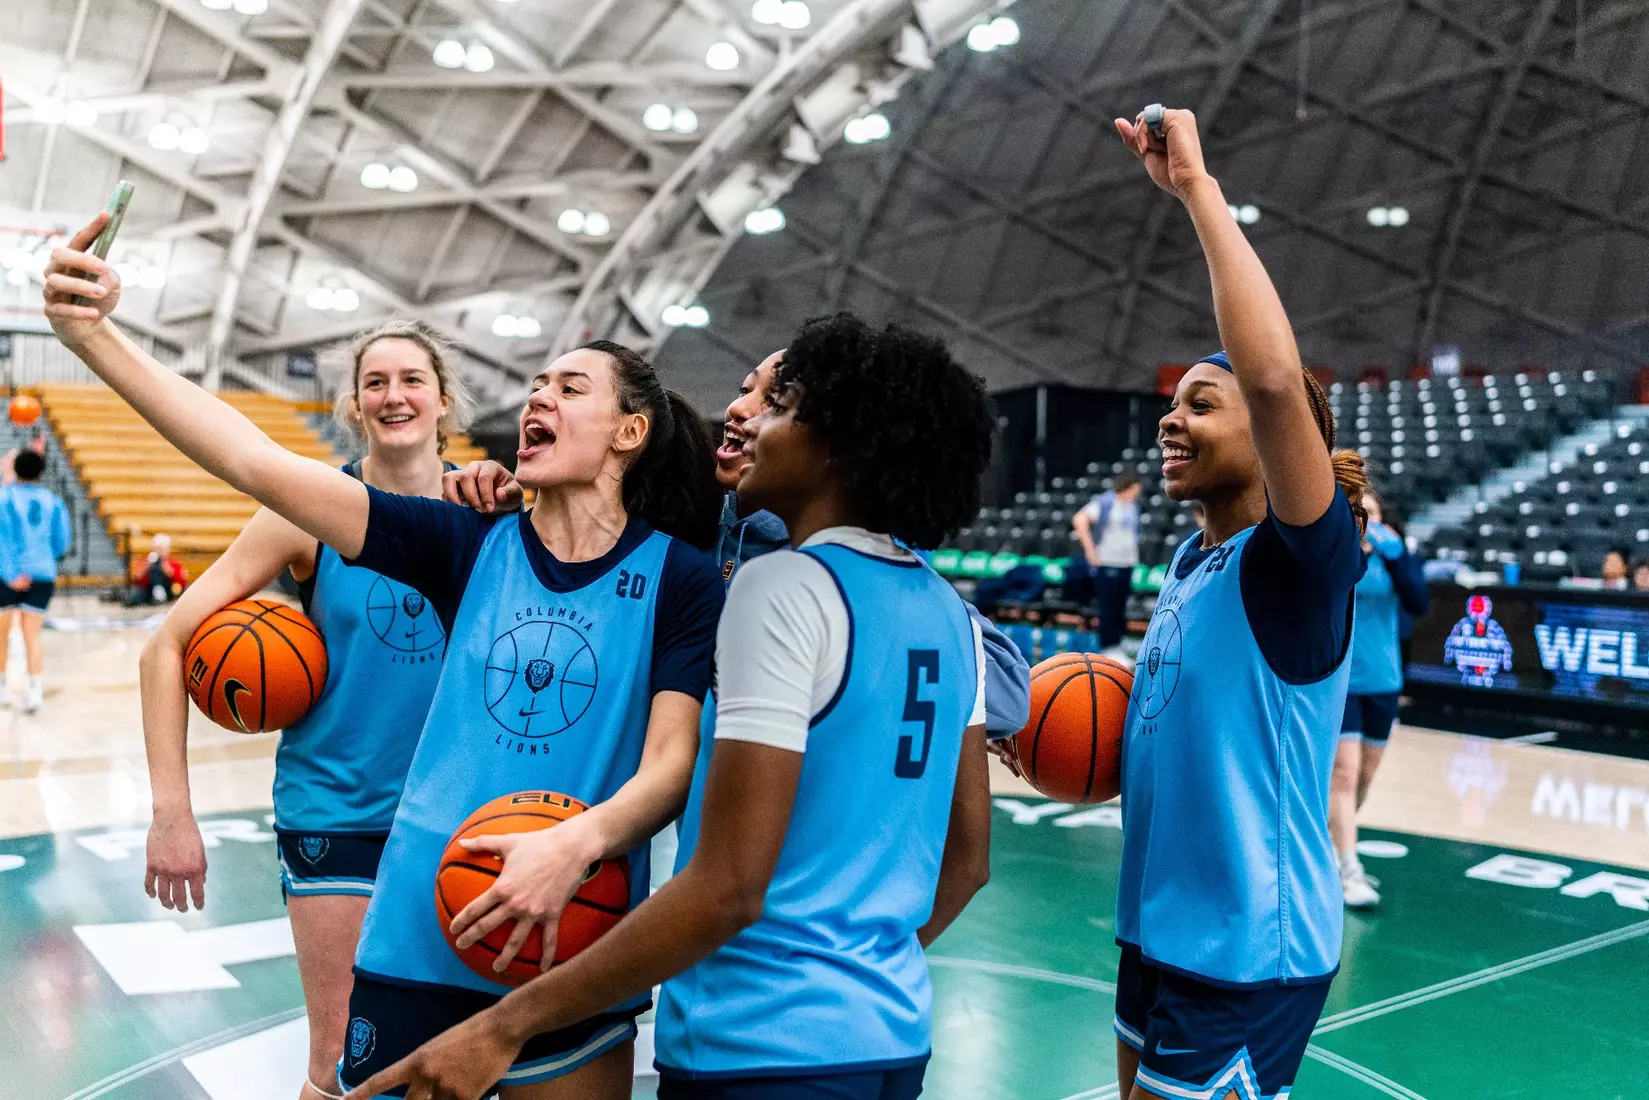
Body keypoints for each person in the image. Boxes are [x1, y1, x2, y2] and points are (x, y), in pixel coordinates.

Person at [43, 221, 725, 1100]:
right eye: (534, 385)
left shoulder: (682, 576)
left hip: (573, 916)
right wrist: (93, 336)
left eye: (568, 386)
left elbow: (673, 763)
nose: (536, 399)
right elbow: (252, 459)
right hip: (413, 925)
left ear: (630, 431)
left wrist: (578, 844)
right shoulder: (461, 540)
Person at [342, 313, 998, 1100]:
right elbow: (967, 864)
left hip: (755, 1037)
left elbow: (728, 887)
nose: (749, 419)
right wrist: (850, 972)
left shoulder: (782, 586)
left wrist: (503, 1025)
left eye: (780, 405)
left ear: (836, 443)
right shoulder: (952, 614)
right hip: (888, 1033)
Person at [134, 320, 472, 1100]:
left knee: (451, 1058)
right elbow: (165, 647)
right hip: (337, 811)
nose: (394, 396)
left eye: (412, 379)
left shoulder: (488, 505)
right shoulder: (306, 511)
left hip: (458, 818)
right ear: (354, 406)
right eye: (376, 383)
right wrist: (172, 813)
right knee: (344, 1063)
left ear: (444, 399)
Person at [1108, 107, 1367, 1100]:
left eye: (1198, 404)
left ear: (1273, 434)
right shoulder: (1186, 559)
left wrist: (1195, 192)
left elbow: (1267, 372)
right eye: (1172, 403)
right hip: (1157, 920)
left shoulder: (1295, 562)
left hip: (1247, 945)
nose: (1172, 417)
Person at [446, 347, 1030, 741]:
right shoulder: (671, 521)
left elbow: (1005, 693)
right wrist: (513, 502)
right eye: (744, 390)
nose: (738, 410)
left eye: (774, 402)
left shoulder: (866, 557)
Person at [1330, 491, 1427, 909]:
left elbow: (1418, 601)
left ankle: (1328, 842)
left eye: (1370, 512)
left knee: (1364, 778)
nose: (1364, 518)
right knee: (1344, 774)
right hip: (1341, 679)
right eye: (1357, 512)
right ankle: (1347, 866)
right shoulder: (1333, 554)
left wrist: (1398, 556)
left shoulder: (1393, 558)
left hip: (1384, 680)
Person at [0, 448, 71, 712]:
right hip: (42, 573)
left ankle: (4, 688)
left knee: (2, 634)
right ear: (41, 472)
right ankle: (34, 691)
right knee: (33, 636)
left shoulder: (4, 497)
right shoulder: (54, 501)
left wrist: (11, 574)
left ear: (15, 469)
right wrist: (41, 561)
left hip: (7, 576)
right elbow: (62, 542)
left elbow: (2, 539)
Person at [1072, 475, 1142, 654]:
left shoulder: (1133, 506)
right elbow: (1079, 519)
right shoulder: (1106, 502)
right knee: (1108, 606)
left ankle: (1117, 643)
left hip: (1126, 563)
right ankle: (1107, 645)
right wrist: (1090, 550)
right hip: (1107, 561)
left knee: (1120, 606)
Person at [127, 532, 189, 605]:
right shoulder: (147, 560)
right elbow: (136, 578)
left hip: (168, 589)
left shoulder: (173, 563)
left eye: (162, 548)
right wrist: (148, 564)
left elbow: (181, 581)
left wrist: (165, 566)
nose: (160, 551)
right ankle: (157, 594)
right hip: (150, 589)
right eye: (158, 548)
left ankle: (159, 594)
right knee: (135, 598)